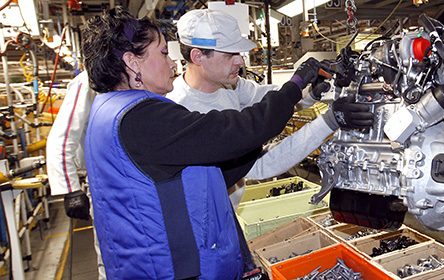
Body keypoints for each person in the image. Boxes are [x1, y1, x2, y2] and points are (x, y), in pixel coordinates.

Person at [82, 7, 322, 280]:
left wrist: (252, 143)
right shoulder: (141, 119)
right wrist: (294, 85)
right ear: (132, 62)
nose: (172, 63)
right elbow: (236, 131)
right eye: (162, 53)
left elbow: (209, 173)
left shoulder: (110, 109)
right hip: (165, 269)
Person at [167, 9, 374, 208]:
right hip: (207, 218)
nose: (240, 60)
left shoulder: (230, 85)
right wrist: (329, 121)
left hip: (228, 209)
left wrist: (310, 91)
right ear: (197, 57)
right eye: (230, 54)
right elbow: (261, 165)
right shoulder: (183, 113)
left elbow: (270, 100)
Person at [46, 71, 106, 279]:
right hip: (103, 181)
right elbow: (61, 138)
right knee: (110, 255)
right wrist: (70, 190)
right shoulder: (88, 80)